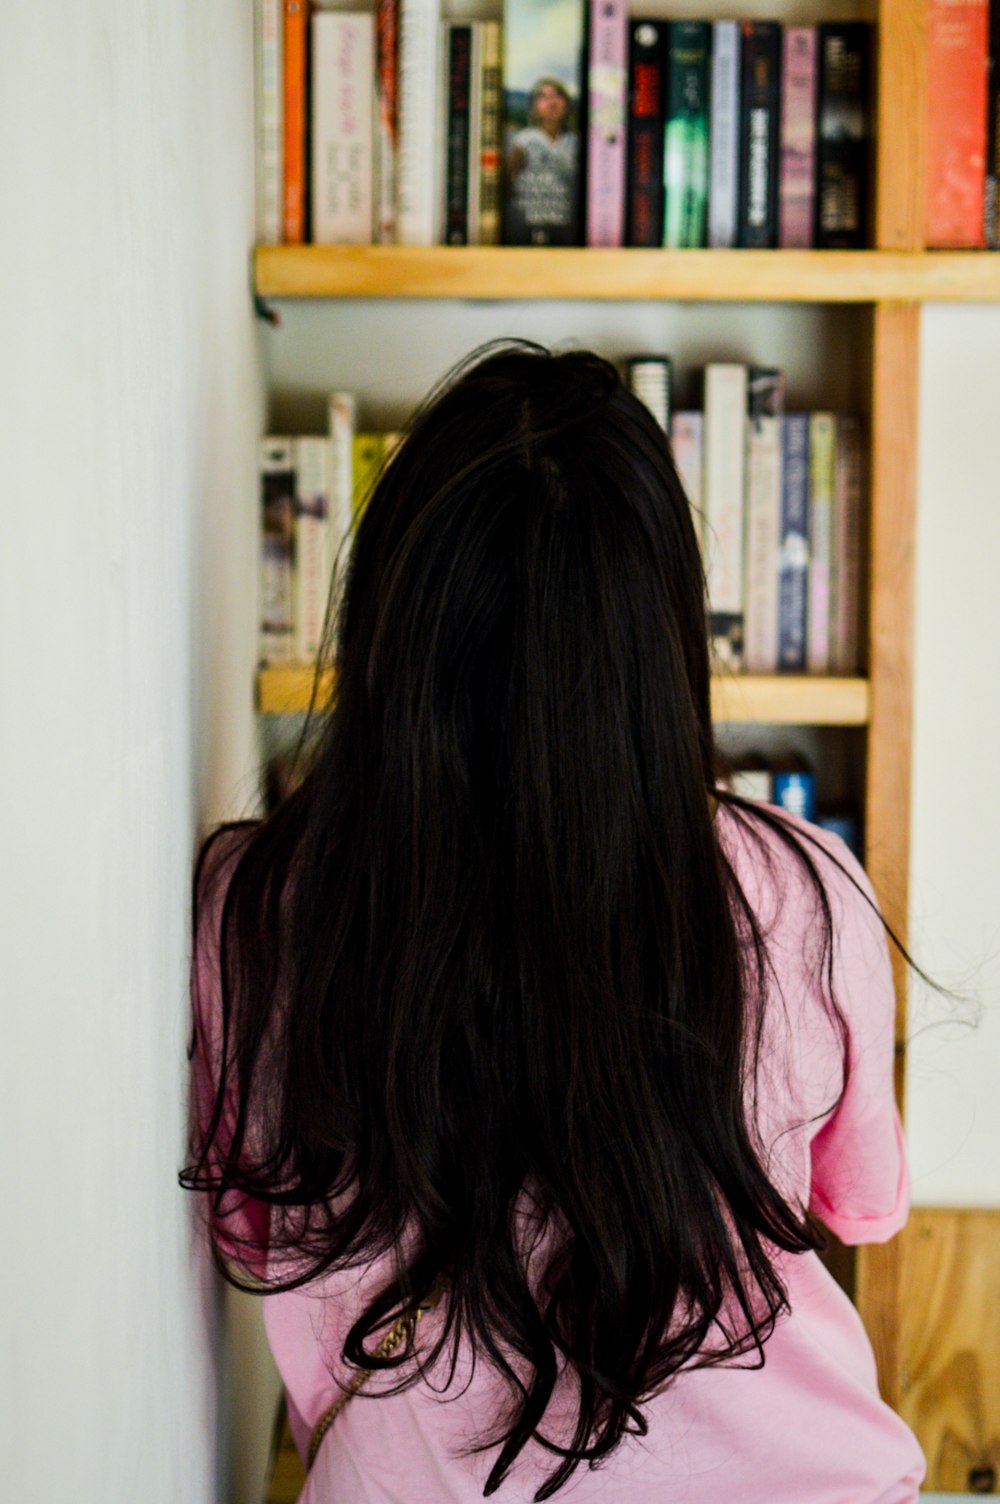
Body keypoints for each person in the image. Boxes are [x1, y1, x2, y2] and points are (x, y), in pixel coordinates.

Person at [182, 344, 926, 1502]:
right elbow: (858, 1201)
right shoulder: (803, 885)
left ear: (389, 626)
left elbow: (249, 1232)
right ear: (659, 646)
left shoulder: (257, 910)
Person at [505, 79, 579, 244]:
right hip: (530, 222)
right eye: (543, 97)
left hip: (566, 222)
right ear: (534, 106)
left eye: (557, 96)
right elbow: (507, 180)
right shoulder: (524, 140)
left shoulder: (575, 141)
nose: (552, 102)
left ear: (566, 103)